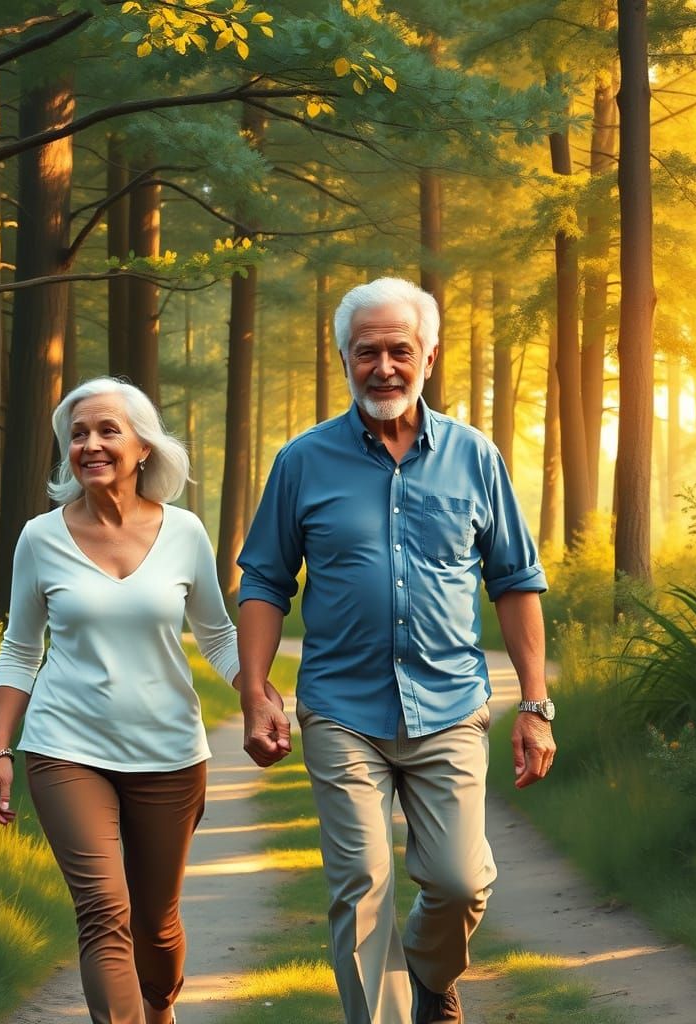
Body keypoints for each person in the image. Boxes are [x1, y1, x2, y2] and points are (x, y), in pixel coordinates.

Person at [236, 278, 556, 1024]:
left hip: (448, 704)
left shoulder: (476, 458)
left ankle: (432, 976)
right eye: (366, 351)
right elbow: (264, 582)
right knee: (363, 881)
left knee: (458, 882)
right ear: (343, 357)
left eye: (399, 349)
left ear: (430, 355)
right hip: (342, 709)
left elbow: (516, 581)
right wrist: (256, 691)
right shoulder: (302, 461)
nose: (383, 366)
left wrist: (536, 705)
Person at [0, 376, 279, 1024]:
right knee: (102, 912)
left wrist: (257, 697)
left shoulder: (185, 532)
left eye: (107, 430)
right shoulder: (39, 538)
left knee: (157, 922)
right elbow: (20, 648)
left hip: (168, 751)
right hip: (66, 749)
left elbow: (218, 635)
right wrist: (0, 749)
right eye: (78, 434)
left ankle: (159, 1006)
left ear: (143, 447)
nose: (90, 443)